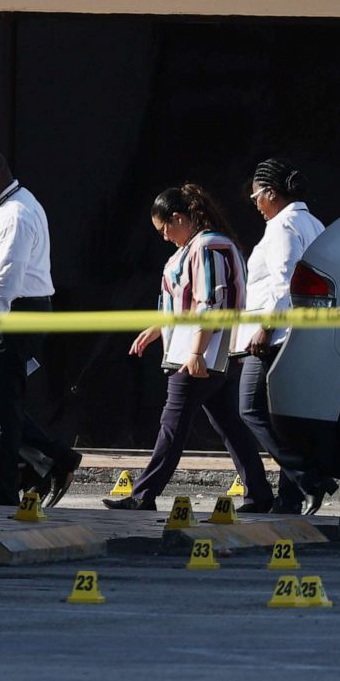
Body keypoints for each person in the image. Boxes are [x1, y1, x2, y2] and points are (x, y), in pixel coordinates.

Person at [103, 183, 273, 512]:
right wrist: (159, 327)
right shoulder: (201, 245)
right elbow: (187, 301)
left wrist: (196, 352)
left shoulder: (208, 246)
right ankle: (259, 493)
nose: (164, 236)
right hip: (207, 351)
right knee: (227, 425)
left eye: (164, 228)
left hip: (202, 353)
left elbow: (211, 301)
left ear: (179, 217)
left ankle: (143, 495)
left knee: (173, 424)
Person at [0, 147, 81, 506]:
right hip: (2, 314)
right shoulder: (3, 209)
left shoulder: (16, 215)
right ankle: (58, 456)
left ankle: (3, 494)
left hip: (11, 315)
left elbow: (4, 283)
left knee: (0, 410)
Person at [236, 158, 337, 514]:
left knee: (250, 409)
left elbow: (285, 282)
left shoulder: (282, 227)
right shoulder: (313, 223)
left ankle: (307, 477)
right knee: (283, 415)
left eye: (255, 198)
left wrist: (265, 326)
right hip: (306, 333)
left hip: (277, 335)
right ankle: (291, 498)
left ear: (270, 193)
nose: (256, 206)